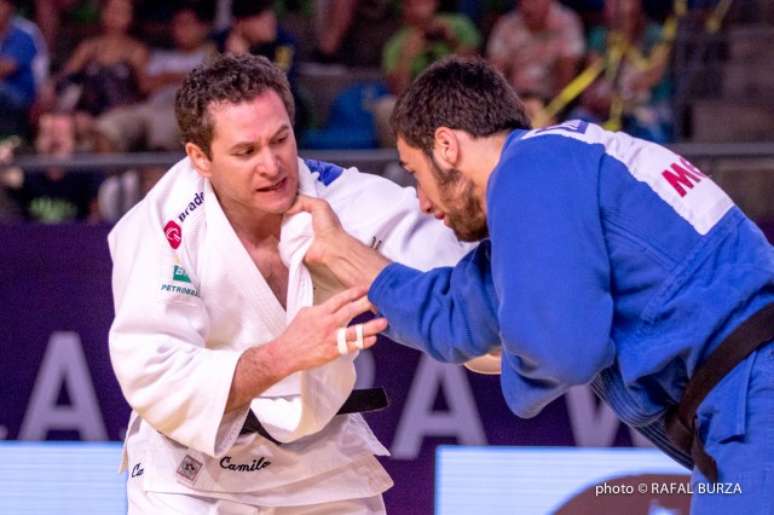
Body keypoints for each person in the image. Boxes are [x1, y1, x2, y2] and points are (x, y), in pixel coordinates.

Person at [291, 56, 774, 514]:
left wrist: (518, 363)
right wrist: (351, 259)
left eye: (415, 174)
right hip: (737, 404)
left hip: (755, 389)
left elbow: (563, 351)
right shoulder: (552, 176)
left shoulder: (531, 168)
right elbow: (455, 318)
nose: (421, 203)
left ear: (446, 145)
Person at [107, 53, 468, 514]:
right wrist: (283, 355)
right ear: (200, 157)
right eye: (245, 151)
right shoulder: (162, 228)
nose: (273, 164)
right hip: (189, 471)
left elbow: (463, 285)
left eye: (281, 139)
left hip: (319, 461)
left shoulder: (343, 202)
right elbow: (153, 374)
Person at [486, 0, 585, 100]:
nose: (526, 6)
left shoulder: (566, 22)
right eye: (522, 1)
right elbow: (495, 74)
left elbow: (566, 77)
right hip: (514, 100)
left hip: (553, 101)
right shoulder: (506, 25)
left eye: (533, 1)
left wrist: (552, 110)